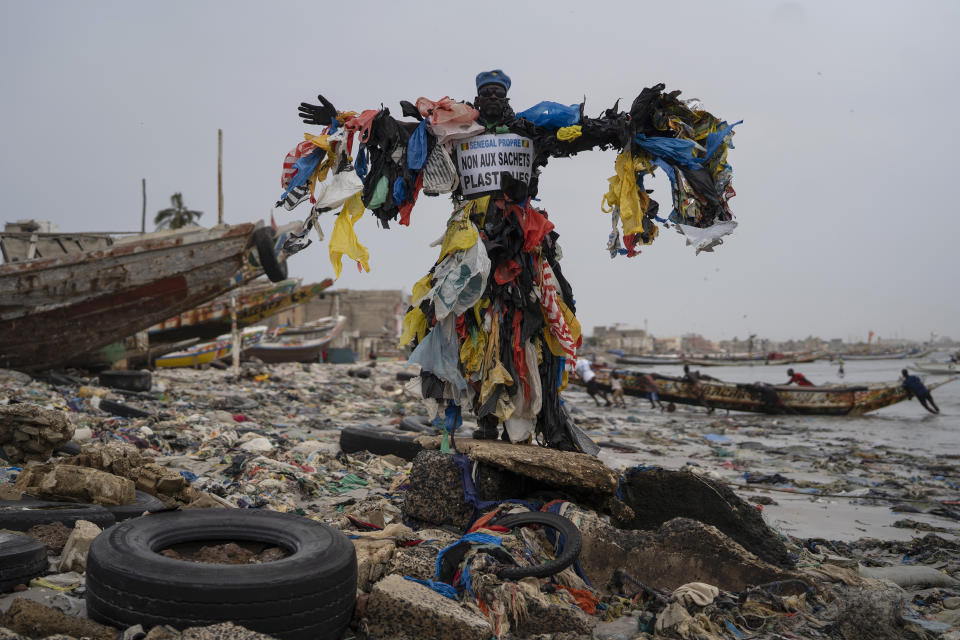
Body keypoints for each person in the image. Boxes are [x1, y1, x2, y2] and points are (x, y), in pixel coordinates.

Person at [285, 71, 739, 451]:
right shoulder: (452, 132)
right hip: (468, 244)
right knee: (454, 324)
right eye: (486, 92)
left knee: (534, 322)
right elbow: (394, 134)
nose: (492, 98)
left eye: (499, 92)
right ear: (476, 98)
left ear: (508, 97)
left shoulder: (530, 133)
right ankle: (470, 424)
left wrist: (628, 125)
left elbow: (585, 134)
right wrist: (346, 120)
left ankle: (535, 418)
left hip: (523, 242)